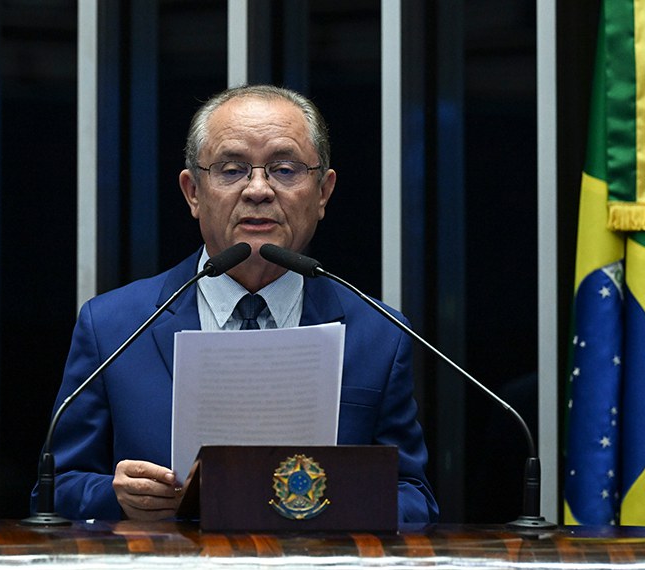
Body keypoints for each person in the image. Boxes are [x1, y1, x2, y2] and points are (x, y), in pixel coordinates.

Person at [32, 84, 439, 523]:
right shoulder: (113, 325)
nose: (258, 190)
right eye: (232, 170)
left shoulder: (379, 333)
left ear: (323, 192)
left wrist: (326, 500)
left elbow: (415, 500)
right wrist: (118, 496)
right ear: (193, 192)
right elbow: (54, 489)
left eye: (284, 169)